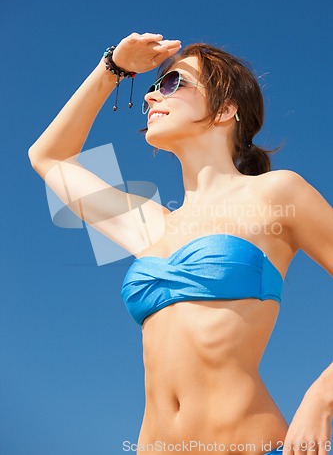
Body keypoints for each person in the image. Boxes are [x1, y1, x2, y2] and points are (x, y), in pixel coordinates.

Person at [28, 32, 333, 455]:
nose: (152, 97)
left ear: (226, 110)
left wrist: (323, 396)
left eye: (173, 83)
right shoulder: (149, 224)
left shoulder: (276, 193)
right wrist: (113, 69)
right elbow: (49, 157)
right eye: (152, 87)